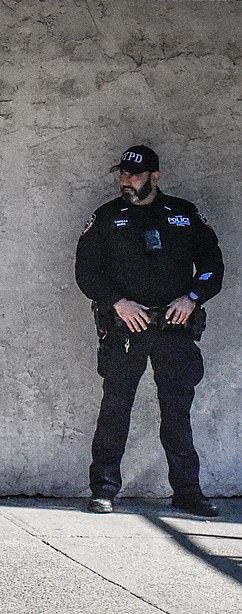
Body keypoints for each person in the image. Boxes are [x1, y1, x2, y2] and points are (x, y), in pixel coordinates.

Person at [76, 144, 224, 517]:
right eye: (123, 174)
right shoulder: (108, 217)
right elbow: (86, 271)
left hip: (173, 329)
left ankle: (187, 491)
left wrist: (191, 297)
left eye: (135, 175)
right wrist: (116, 302)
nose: (126, 181)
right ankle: (104, 489)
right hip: (126, 328)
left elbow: (212, 266)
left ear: (154, 177)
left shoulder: (184, 215)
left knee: (177, 411)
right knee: (115, 409)